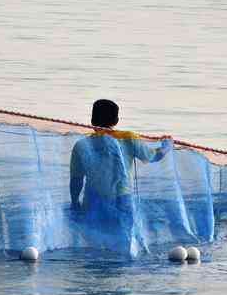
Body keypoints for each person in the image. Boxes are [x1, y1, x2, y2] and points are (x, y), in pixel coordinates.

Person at [69, 99, 172, 256]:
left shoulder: (81, 145)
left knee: (94, 244)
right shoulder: (129, 138)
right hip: (121, 199)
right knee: (123, 241)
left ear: (91, 120)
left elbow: (76, 180)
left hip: (92, 201)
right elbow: (153, 156)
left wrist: (75, 203)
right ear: (116, 120)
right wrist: (167, 146)